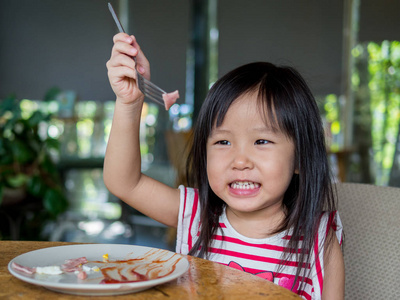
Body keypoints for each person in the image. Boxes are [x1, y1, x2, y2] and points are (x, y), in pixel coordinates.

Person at [104, 33, 345, 300]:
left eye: (261, 140)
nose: (240, 161)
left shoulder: (319, 241)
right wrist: (129, 102)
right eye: (223, 141)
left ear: (300, 158)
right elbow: (124, 182)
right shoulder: (198, 216)